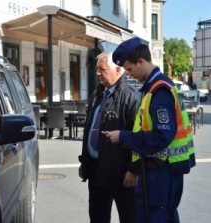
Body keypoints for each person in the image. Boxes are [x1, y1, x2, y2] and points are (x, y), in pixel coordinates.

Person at [107, 37, 196, 223]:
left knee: (155, 216)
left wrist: (124, 137)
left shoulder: (159, 91)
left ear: (141, 61)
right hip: (167, 168)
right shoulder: (156, 88)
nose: (129, 75)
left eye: (130, 69)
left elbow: (161, 136)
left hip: (161, 170)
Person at [78, 51, 140, 223]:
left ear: (118, 70)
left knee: (128, 218)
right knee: (97, 218)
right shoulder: (97, 95)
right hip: (97, 171)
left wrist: (132, 170)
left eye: (102, 69)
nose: (97, 73)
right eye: (97, 69)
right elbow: (90, 130)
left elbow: (137, 137)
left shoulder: (131, 97)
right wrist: (85, 160)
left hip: (121, 174)